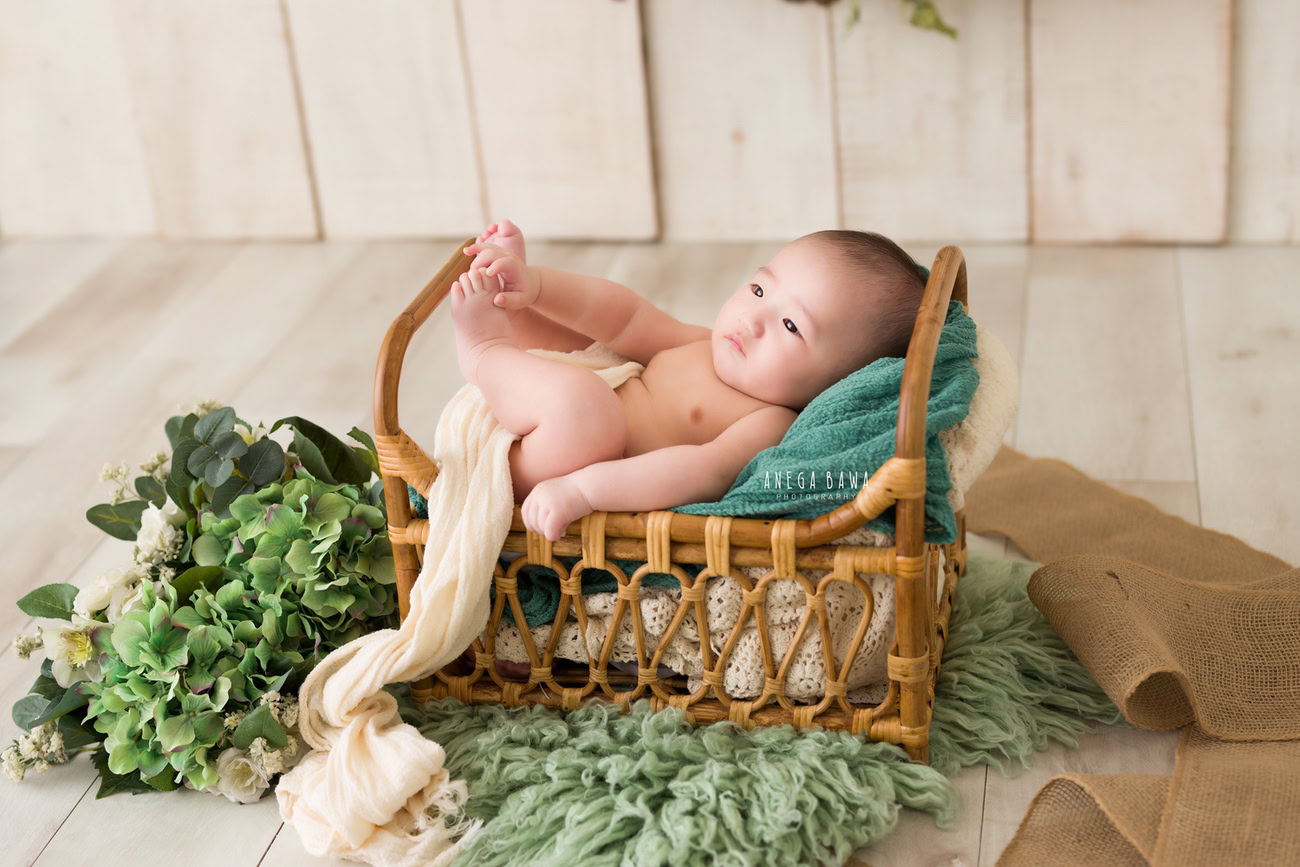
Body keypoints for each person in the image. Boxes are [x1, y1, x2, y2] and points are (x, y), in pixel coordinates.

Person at [452, 219, 928, 541]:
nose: (754, 318)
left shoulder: (769, 421)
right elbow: (623, 315)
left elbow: (701, 471)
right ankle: (509, 294)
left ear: (840, 381)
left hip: (545, 474)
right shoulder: (701, 342)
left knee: (588, 406)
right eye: (760, 289)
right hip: (532, 412)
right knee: (574, 347)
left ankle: (482, 351)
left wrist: (582, 491)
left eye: (791, 326)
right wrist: (538, 286)